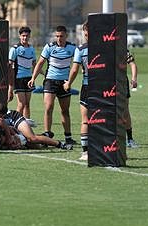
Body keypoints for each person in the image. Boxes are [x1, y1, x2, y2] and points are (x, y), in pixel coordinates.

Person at [28, 25, 76, 145]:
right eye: (57, 36)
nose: (59, 38)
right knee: (48, 107)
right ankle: (47, 133)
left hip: (64, 82)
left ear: (66, 36)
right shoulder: (49, 47)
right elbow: (40, 63)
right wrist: (33, 78)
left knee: (65, 110)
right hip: (50, 80)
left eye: (61, 36)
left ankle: (68, 136)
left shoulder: (72, 48)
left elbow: (79, 62)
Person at [63, 21, 89, 160]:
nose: (85, 34)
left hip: (87, 86)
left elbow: (74, 69)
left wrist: (68, 83)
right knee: (103, 119)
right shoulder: (106, 47)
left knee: (85, 119)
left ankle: (85, 152)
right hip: (104, 87)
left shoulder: (81, 49)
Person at [2, 110, 73, 150]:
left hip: (13, 118)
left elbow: (3, 124)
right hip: (8, 125)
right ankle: (45, 136)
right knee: (29, 144)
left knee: (32, 138)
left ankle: (61, 144)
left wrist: (13, 135)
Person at [8, 26, 37, 124]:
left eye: (27, 36)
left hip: (29, 79)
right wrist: (10, 86)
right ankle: (15, 123)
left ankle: (26, 124)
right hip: (18, 79)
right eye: (23, 36)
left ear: (29, 36)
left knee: (27, 104)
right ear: (20, 36)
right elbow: (9, 66)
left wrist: (44, 73)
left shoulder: (32, 49)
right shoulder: (15, 49)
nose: (25, 38)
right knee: (21, 104)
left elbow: (34, 65)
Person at [125, 50, 138, 148]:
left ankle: (129, 139)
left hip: (121, 82)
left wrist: (134, 79)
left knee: (125, 110)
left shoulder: (121, 48)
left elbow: (132, 64)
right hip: (106, 82)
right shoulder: (101, 48)